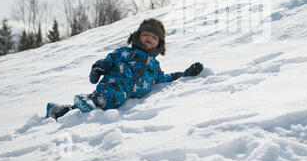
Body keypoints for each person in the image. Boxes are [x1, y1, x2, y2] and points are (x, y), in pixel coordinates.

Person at [46, 18, 203, 119]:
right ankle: (95, 101)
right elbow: (108, 60)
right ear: (138, 36)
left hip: (123, 94)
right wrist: (98, 68)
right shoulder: (125, 52)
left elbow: (165, 78)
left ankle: (59, 110)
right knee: (111, 92)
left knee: (85, 107)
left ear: (159, 45)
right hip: (113, 84)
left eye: (154, 37)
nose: (150, 38)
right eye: (146, 34)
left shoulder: (154, 67)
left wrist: (185, 73)